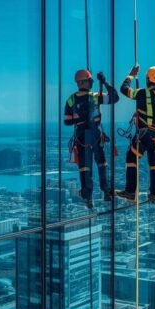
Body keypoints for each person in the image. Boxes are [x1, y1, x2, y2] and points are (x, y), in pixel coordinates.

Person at [115, 65, 155, 204]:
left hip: (144, 134)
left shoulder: (141, 93)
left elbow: (124, 89)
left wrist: (131, 75)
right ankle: (153, 194)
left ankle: (130, 191)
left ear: (148, 79)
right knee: (154, 165)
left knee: (131, 158)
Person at [65, 69, 119, 209]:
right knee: (101, 163)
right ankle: (106, 190)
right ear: (83, 82)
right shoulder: (96, 96)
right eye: (90, 81)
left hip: (82, 135)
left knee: (85, 167)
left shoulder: (71, 99)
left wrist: (79, 118)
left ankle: (88, 197)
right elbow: (115, 97)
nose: (91, 83)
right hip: (96, 133)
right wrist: (105, 81)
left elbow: (67, 121)